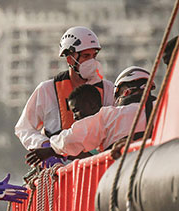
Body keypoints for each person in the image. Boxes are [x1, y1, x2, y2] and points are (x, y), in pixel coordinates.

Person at [15, 26, 114, 154]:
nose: (91, 61)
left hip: (96, 163)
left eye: (93, 56)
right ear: (69, 59)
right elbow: (24, 128)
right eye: (85, 56)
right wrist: (44, 145)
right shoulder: (46, 90)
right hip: (58, 163)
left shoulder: (108, 89)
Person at [26, 68, 157, 165]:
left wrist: (51, 149)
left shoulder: (110, 115)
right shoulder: (166, 107)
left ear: (125, 92)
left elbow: (75, 136)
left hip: (121, 172)